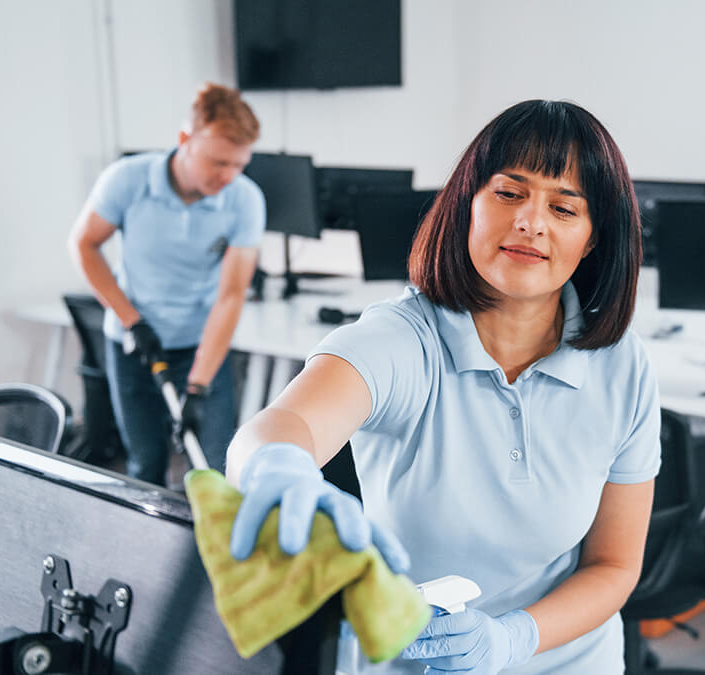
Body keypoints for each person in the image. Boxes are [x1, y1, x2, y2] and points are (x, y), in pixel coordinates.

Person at [226, 99, 660, 673]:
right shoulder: (406, 339)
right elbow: (282, 426)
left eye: (564, 207)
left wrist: (511, 639)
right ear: (468, 205)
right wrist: (276, 467)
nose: (531, 221)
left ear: (593, 238)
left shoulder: (621, 363)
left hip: (569, 660)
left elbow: (614, 565)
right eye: (509, 193)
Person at [68, 82, 264, 486]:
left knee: (213, 470)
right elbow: (84, 245)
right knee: (144, 465)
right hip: (133, 345)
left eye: (239, 165)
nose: (228, 176)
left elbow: (230, 296)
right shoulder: (127, 180)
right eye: (217, 162)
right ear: (184, 140)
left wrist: (198, 386)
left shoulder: (244, 200)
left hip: (201, 348)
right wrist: (131, 321)